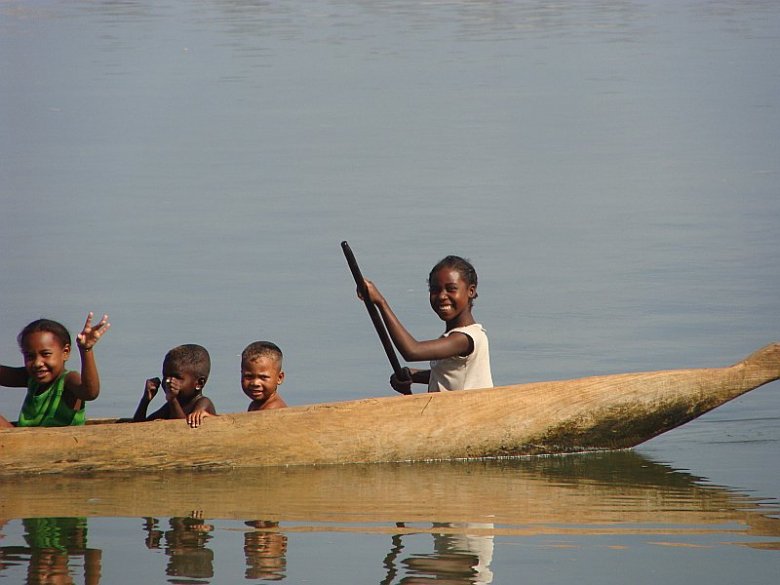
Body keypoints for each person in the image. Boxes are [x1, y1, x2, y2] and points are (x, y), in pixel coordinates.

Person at [359, 255, 492, 394]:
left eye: (451, 289)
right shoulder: (458, 336)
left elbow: (412, 351)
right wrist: (414, 375)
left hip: (466, 414)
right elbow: (449, 375)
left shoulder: (464, 339)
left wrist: (381, 302)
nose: (442, 296)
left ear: (471, 291)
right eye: (435, 290)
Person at [0, 313, 110, 428]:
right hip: (23, 441)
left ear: (65, 352)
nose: (37, 363)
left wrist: (86, 349)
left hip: (60, 443)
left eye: (46, 354)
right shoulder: (31, 377)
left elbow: (90, 393)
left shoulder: (68, 380)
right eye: (30, 356)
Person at [133, 344, 216, 427]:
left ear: (199, 383)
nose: (168, 381)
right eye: (165, 376)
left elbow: (181, 427)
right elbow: (140, 426)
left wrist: (172, 400)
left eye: (177, 377)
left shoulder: (203, 403)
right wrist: (145, 400)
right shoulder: (169, 407)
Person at [241, 341, 287, 412]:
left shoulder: (273, 409)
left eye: (263, 377)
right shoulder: (255, 404)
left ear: (279, 378)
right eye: (249, 376)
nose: (255, 383)